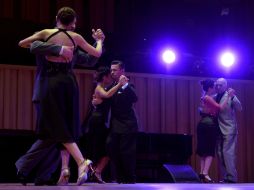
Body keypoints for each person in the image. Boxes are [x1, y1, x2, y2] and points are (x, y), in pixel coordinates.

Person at [17, 6, 104, 186]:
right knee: (59, 128)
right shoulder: (71, 38)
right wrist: (98, 41)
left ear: (57, 17)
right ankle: (62, 168)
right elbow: (95, 55)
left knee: (58, 128)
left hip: (54, 86)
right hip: (62, 86)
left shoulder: (51, 34)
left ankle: (79, 163)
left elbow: (23, 43)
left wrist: (60, 49)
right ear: (73, 23)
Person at [84, 66, 128, 183]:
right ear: (104, 78)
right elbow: (108, 95)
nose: (111, 77)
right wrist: (119, 84)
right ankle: (91, 172)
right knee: (99, 148)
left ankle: (96, 172)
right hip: (97, 121)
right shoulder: (99, 88)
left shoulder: (105, 87)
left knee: (106, 148)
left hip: (102, 121)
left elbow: (108, 96)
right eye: (109, 75)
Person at [106, 60, 138, 183]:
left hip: (128, 124)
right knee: (112, 148)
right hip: (115, 124)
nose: (112, 72)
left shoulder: (129, 85)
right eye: (111, 70)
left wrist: (124, 85)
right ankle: (119, 177)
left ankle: (129, 179)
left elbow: (135, 98)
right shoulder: (112, 86)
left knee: (127, 152)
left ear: (122, 71)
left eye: (115, 69)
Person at [196, 79, 234, 183]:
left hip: (203, 125)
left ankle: (202, 173)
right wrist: (229, 97)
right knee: (209, 151)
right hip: (209, 125)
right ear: (209, 88)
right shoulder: (208, 97)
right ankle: (205, 173)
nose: (215, 88)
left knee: (204, 151)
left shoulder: (204, 97)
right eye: (214, 86)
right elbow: (220, 108)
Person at [215, 78, 242, 183]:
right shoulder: (214, 97)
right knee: (220, 154)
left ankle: (232, 178)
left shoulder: (230, 96)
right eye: (216, 85)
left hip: (229, 129)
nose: (218, 87)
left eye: (220, 85)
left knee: (228, 153)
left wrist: (234, 96)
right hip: (218, 130)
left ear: (225, 86)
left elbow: (239, 108)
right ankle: (227, 177)